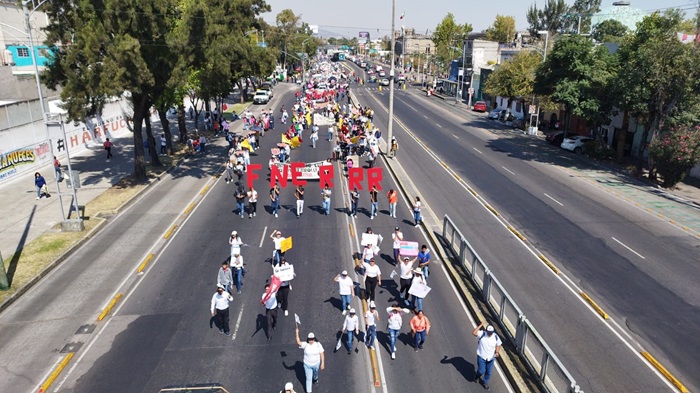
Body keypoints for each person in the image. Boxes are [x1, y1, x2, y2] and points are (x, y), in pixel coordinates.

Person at [472, 322, 502, 391]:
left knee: (489, 372)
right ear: (486, 331)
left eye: (491, 332)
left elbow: (498, 344)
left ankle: (485, 382)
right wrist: (480, 325)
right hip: (481, 356)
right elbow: (474, 332)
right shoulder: (482, 333)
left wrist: (497, 352)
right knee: (481, 370)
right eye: (489, 332)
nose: (490, 334)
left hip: (491, 358)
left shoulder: (495, 337)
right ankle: (477, 376)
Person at [295, 328, 325, 393]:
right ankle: (309, 391)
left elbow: (321, 353)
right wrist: (297, 333)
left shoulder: (318, 344)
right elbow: (298, 342)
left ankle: (315, 379)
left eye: (312, 339)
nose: (311, 341)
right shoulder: (305, 344)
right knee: (308, 379)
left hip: (316, 363)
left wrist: (322, 363)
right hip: (307, 365)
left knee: (315, 374)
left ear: (314, 339)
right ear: (308, 339)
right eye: (310, 339)